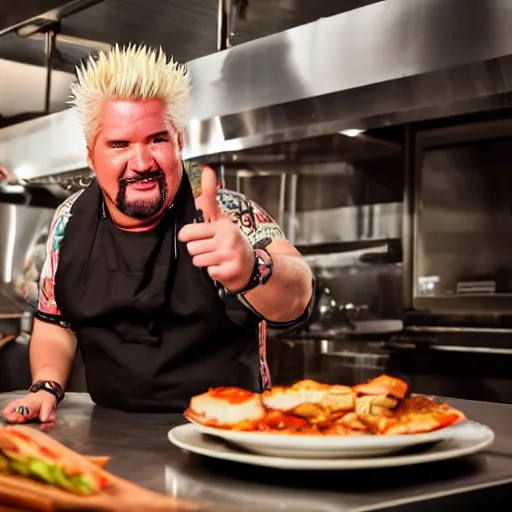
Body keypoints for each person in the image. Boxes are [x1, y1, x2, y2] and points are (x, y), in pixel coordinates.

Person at [2, 45, 314, 424]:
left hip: (227, 431)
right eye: (120, 144)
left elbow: (299, 291)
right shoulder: (69, 220)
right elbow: (55, 323)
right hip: (110, 433)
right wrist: (45, 386)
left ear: (179, 141)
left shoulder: (221, 210)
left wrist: (254, 268)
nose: (142, 163)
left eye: (157, 139)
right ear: (90, 155)